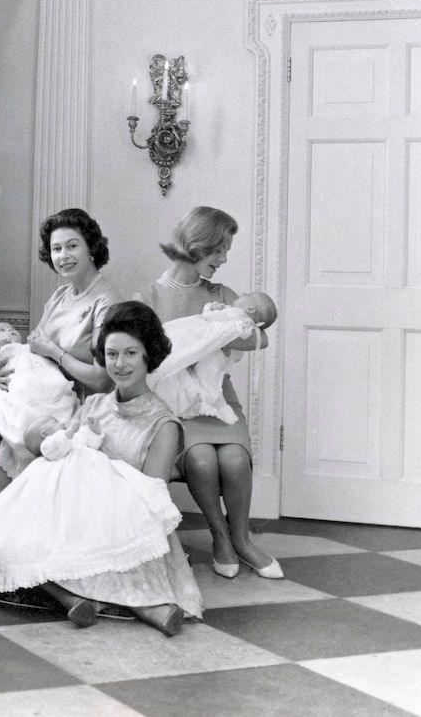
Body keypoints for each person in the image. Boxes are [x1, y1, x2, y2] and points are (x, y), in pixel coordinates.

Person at [0, 301, 202, 636]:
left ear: (148, 356)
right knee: (2, 527)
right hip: (80, 512)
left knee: (67, 549)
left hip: (130, 524)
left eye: (130, 353)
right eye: (112, 354)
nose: (120, 364)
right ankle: (72, 598)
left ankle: (140, 604)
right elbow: (65, 455)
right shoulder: (95, 404)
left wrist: (96, 472)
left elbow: (152, 500)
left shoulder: (164, 424)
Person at [0, 207, 119, 561]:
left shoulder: (105, 301)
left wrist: (55, 352)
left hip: (75, 405)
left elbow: (102, 378)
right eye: (56, 249)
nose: (62, 256)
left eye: (71, 246)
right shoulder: (61, 295)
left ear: (92, 248)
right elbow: (32, 352)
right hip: (38, 392)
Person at [135, 206, 283, 580]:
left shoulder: (222, 295)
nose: (224, 258)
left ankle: (242, 541)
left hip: (217, 399)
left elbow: (259, 336)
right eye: (218, 250)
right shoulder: (148, 296)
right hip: (176, 404)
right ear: (196, 245)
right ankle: (220, 538)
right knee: (201, 460)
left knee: (234, 460)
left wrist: (217, 333)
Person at [151, 291, 277, 426]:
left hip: (212, 347)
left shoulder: (237, 315)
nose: (243, 294)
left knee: (195, 368)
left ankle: (195, 397)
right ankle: (199, 396)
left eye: (247, 295)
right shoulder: (241, 321)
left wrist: (211, 309)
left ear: (251, 308)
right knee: (205, 376)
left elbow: (210, 318)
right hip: (214, 352)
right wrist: (213, 308)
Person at [0, 320, 77, 477]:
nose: (9, 330)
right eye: (1, 330)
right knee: (24, 395)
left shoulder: (29, 347)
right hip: (24, 380)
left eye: (11, 328)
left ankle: (57, 426)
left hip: (46, 378)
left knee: (56, 391)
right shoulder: (5, 350)